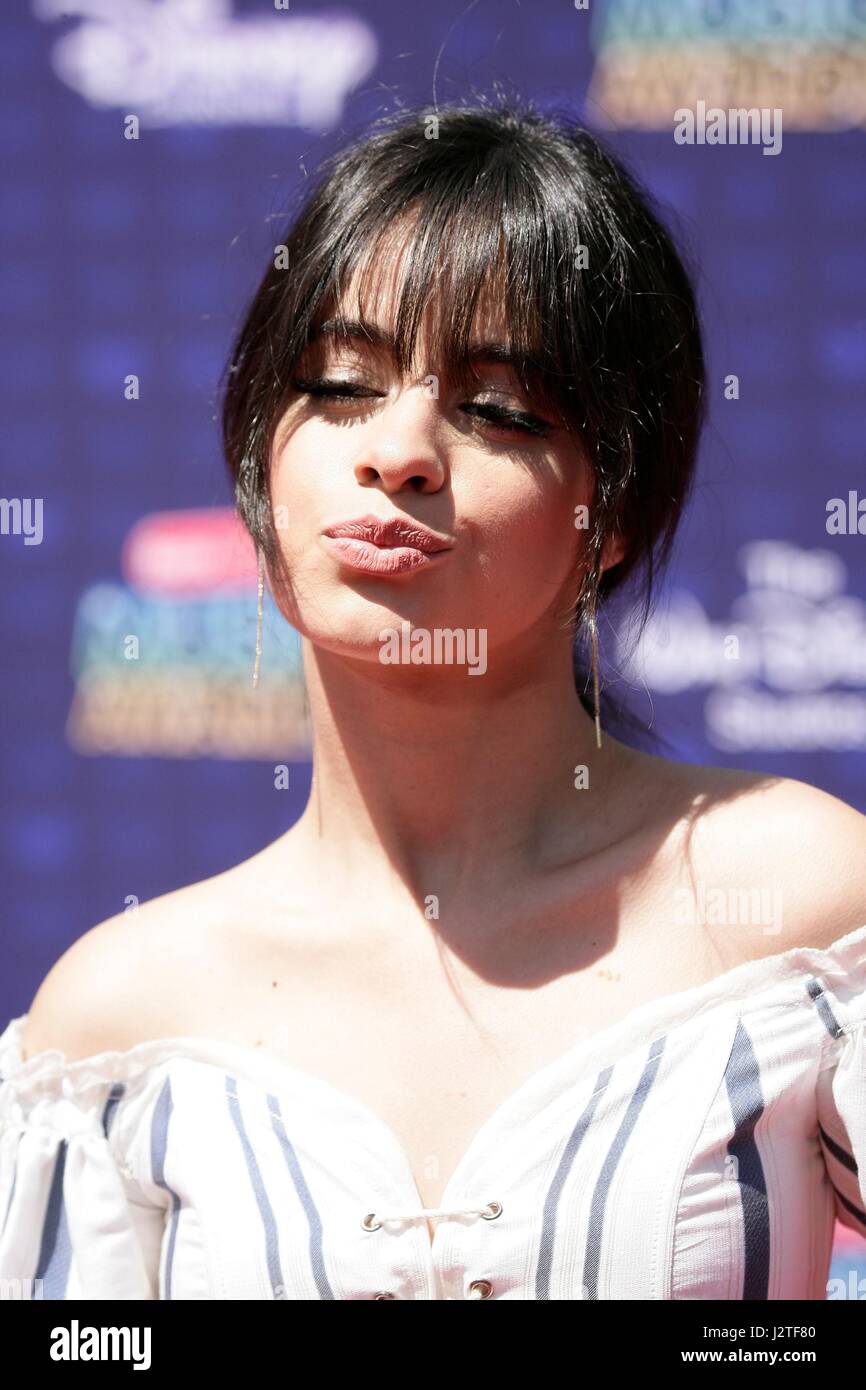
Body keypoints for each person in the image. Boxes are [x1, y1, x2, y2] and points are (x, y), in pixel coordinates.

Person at [1, 100, 865, 1302]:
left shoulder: (805, 910)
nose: (399, 449)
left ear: (609, 514)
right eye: (340, 384)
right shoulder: (117, 1019)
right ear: (258, 463)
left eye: (499, 409)